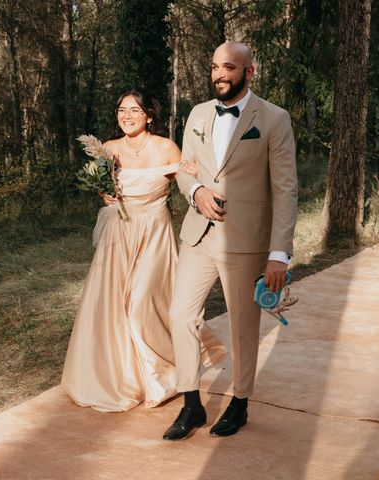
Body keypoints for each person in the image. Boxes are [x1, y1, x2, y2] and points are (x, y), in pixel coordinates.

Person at [162, 42, 298, 439]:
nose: (220, 74)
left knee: (243, 325)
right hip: (198, 234)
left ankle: (240, 403)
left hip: (247, 239)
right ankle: (191, 404)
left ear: (249, 72)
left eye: (229, 68)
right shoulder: (198, 114)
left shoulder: (274, 118)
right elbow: (185, 169)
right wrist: (195, 191)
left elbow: (286, 189)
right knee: (180, 315)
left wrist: (278, 254)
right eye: (215, 67)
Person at [61, 88, 225, 412]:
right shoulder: (108, 149)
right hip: (118, 233)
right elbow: (103, 188)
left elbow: (191, 181)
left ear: (149, 115)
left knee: (140, 304)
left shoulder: (166, 148)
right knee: (114, 307)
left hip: (153, 232)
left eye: (135, 110)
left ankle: (165, 374)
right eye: (122, 110)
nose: (127, 116)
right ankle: (127, 379)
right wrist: (104, 196)